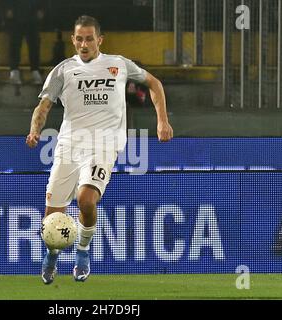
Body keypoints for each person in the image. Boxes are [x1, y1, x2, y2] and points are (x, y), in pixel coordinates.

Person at [26, 15, 173, 284]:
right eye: (79, 38)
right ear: (73, 40)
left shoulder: (118, 64)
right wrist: (35, 129)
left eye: (89, 38)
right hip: (69, 146)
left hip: (104, 145)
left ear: (99, 40)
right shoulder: (62, 70)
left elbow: (155, 84)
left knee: (86, 200)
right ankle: (52, 255)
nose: (84, 44)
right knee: (52, 220)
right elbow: (43, 107)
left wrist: (162, 120)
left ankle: (82, 251)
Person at [3, 0, 44, 85]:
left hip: (30, 13)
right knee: (15, 43)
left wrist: (41, 7)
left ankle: (34, 71)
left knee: (33, 44)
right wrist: (8, 7)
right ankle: (15, 71)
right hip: (17, 13)